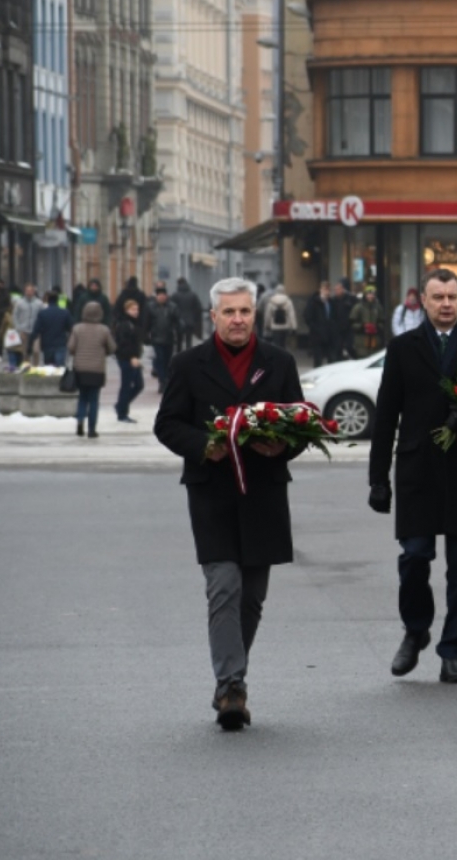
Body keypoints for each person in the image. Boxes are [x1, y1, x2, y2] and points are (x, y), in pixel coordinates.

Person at [154, 278, 305, 730]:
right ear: (213, 316)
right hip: (212, 492)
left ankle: (230, 674)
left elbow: (301, 422)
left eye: (244, 311)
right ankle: (231, 686)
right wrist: (205, 445)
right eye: (229, 312)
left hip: (263, 491)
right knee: (223, 586)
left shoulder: (278, 362)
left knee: (252, 598)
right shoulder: (188, 364)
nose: (238, 319)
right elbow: (168, 425)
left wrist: (281, 447)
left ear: (254, 314)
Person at [367, 270, 457, 684]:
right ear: (423, 302)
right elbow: (386, 415)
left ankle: (453, 651)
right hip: (416, 469)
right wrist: (378, 479)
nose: (446, 303)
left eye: (452, 296)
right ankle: (415, 630)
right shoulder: (402, 348)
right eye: (437, 296)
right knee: (414, 557)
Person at [66, 300, 115, 438]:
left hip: (80, 369)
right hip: (97, 370)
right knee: (94, 400)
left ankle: (80, 421)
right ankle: (92, 429)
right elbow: (112, 348)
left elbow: (70, 347)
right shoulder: (104, 330)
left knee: (82, 398)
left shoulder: (77, 328)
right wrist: (103, 351)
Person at [112, 298, 146, 423]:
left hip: (134, 358)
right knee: (126, 385)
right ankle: (122, 413)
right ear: (126, 310)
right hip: (126, 359)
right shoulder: (124, 324)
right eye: (133, 309)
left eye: (137, 309)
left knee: (139, 385)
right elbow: (123, 343)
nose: (136, 311)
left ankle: (120, 405)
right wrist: (132, 356)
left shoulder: (134, 322)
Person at [146, 288, 181, 393]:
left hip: (169, 338)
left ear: (166, 296)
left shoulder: (172, 307)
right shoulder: (151, 307)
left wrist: (177, 331)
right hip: (156, 338)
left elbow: (177, 321)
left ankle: (166, 380)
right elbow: (147, 322)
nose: (161, 297)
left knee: (167, 361)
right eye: (159, 295)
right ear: (156, 296)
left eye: (163, 295)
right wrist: (146, 336)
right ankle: (162, 381)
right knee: (159, 360)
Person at [30, 289, 75, 367]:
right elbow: (71, 328)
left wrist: (30, 344)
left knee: (49, 368)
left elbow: (36, 330)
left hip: (47, 345)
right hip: (61, 343)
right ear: (58, 300)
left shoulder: (43, 313)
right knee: (60, 368)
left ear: (48, 300)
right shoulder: (65, 312)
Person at [7, 284, 44, 369]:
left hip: (36, 332)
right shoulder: (19, 303)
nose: (29, 293)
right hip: (23, 331)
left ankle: (36, 367)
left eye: (30, 291)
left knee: (36, 351)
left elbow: (42, 316)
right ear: (25, 291)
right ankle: (26, 367)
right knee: (25, 352)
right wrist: (18, 328)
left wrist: (41, 328)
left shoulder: (39, 303)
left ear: (34, 292)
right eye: (27, 291)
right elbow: (15, 316)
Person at [304, 281, 336, 367]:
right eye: (324, 289)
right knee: (318, 360)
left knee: (331, 360)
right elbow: (308, 317)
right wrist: (316, 329)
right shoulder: (313, 302)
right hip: (317, 336)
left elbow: (334, 317)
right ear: (320, 290)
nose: (327, 292)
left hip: (330, 336)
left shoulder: (331, 302)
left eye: (328, 289)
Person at [350, 286, 385, 356]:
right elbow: (352, 323)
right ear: (365, 295)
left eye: (372, 294)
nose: (371, 296)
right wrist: (363, 327)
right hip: (361, 341)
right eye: (369, 294)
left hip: (375, 341)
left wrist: (376, 327)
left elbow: (383, 322)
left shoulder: (378, 308)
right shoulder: (358, 307)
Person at [171, 278, 203, 350]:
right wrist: (195, 319)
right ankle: (188, 356)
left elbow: (171, 308)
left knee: (179, 340)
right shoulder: (193, 295)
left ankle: (179, 356)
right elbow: (198, 308)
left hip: (178, 321)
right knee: (189, 340)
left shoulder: (175, 295)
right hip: (190, 321)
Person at [262, 283, 296, 350]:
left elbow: (268, 315)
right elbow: (291, 315)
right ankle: (283, 358)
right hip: (285, 326)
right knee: (283, 344)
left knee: (276, 344)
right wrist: (294, 327)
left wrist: (267, 326)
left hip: (275, 327)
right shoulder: (288, 301)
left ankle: (277, 357)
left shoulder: (271, 301)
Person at [330, 281, 356, 360]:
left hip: (349, 328)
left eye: (338, 289)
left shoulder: (350, 299)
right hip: (338, 329)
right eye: (335, 290)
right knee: (338, 348)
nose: (336, 291)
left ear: (342, 289)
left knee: (350, 347)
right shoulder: (333, 300)